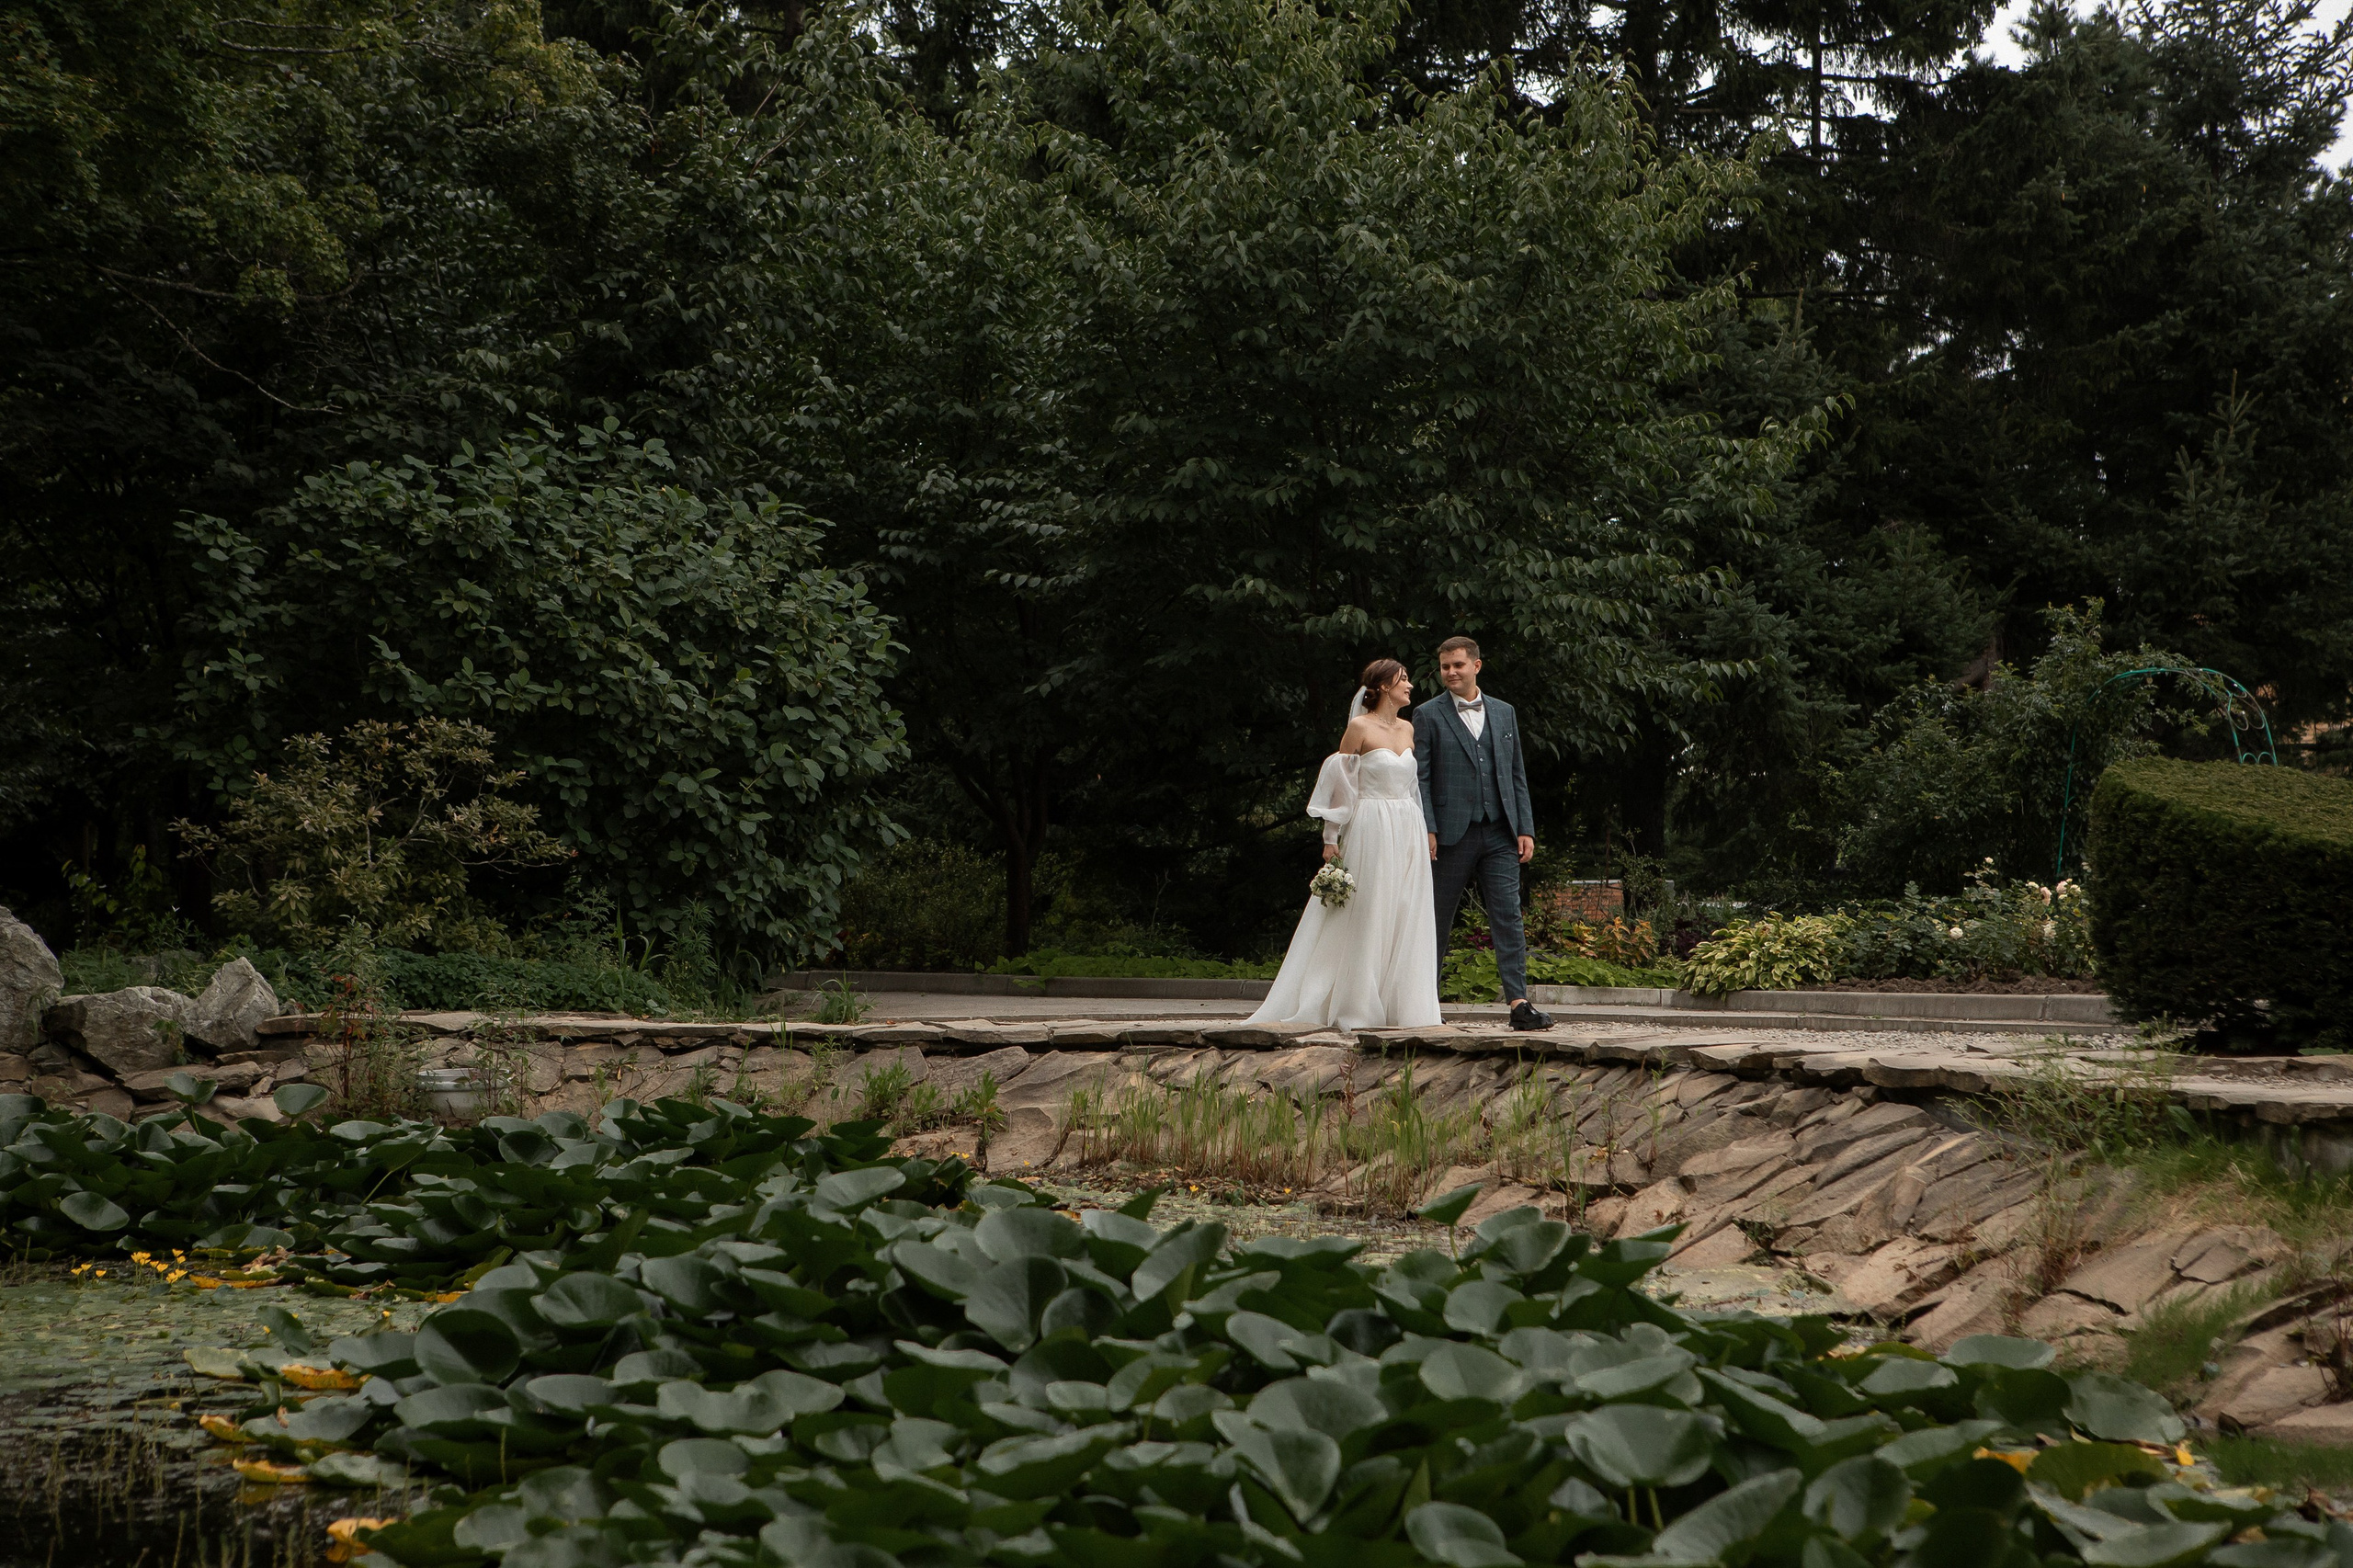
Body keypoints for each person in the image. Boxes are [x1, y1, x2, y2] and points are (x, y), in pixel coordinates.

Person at [1246, 658, 1443, 1030]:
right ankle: (1356, 1002)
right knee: (1370, 908)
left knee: (1404, 908)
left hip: (1407, 827)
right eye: (1404, 680)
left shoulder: (1407, 728)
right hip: (1371, 824)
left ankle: (1400, 1004)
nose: (1410, 686)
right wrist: (1330, 837)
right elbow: (1342, 785)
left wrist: (1425, 831)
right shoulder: (1358, 728)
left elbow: (1414, 786)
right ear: (1383, 686)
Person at [1414, 636, 1554, 1031]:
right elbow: (1420, 777)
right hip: (1451, 832)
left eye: (1458, 665)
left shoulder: (1505, 712)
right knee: (1438, 919)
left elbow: (1515, 774)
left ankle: (1519, 1004)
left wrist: (1524, 826)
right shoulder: (1427, 714)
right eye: (1445, 667)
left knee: (1508, 915)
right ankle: (1425, 1002)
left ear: (1477, 665)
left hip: (1500, 831)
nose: (1451, 672)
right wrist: (1427, 827)